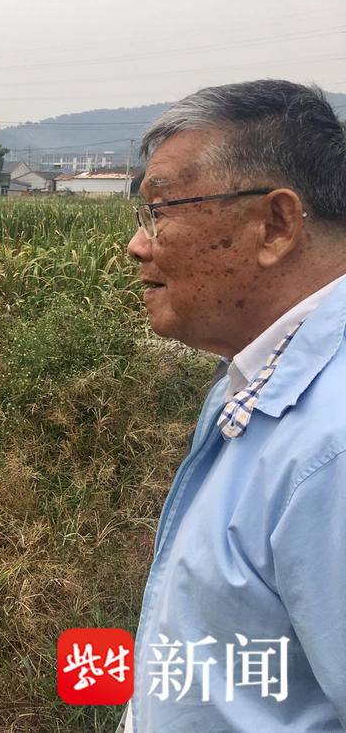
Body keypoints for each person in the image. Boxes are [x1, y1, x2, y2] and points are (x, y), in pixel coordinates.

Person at [123, 79, 346, 731]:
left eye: (159, 212)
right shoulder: (254, 373)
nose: (138, 245)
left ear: (275, 225)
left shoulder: (331, 448)